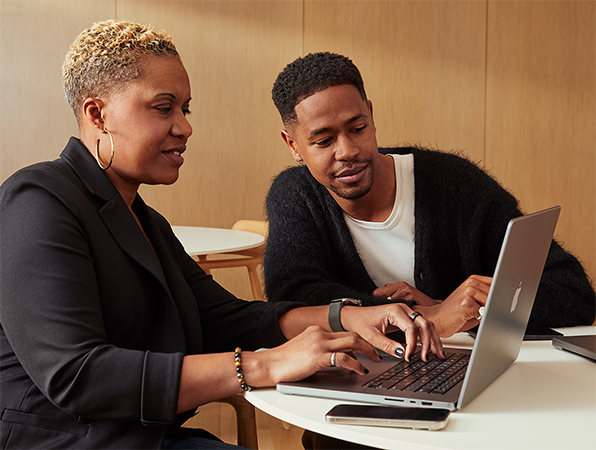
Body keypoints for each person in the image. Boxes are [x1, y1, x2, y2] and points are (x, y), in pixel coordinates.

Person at [0, 23, 444, 450]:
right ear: (97, 114)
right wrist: (263, 364)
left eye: (185, 109)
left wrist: (342, 317)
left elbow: (225, 319)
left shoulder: (146, 221)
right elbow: (77, 375)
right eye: (163, 107)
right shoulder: (37, 199)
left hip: (146, 436)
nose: (184, 126)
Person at [265, 52, 596, 338]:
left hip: (464, 378)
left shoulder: (456, 184)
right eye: (323, 141)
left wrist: (461, 312)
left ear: (371, 114)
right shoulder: (296, 196)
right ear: (293, 145)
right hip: (356, 379)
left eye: (358, 128)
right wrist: (425, 317)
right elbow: (295, 302)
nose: (347, 151)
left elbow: (570, 292)